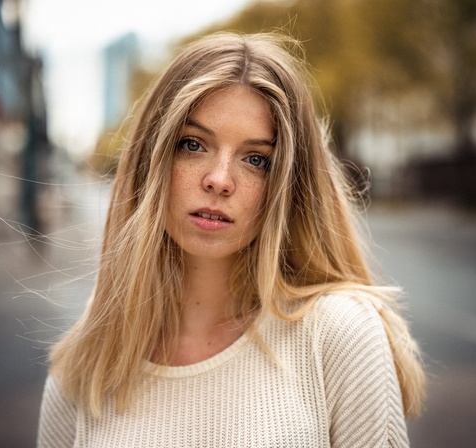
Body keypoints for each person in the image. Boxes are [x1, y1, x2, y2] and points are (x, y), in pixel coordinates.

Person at [37, 32, 425, 447]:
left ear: (287, 185)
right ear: (152, 160)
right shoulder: (85, 367)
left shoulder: (341, 333)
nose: (219, 180)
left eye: (256, 159)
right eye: (193, 144)